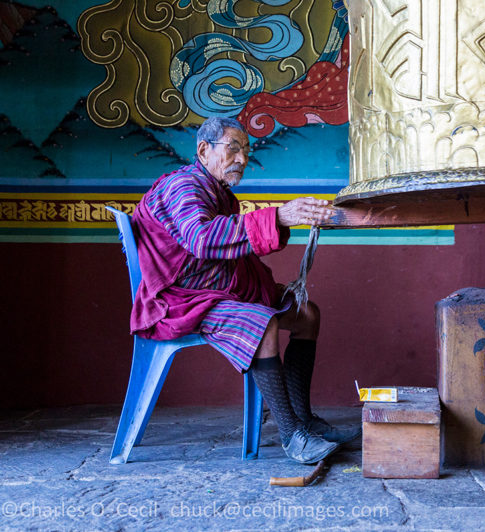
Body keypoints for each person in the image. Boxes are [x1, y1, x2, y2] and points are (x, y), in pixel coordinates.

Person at [129, 116, 359, 464]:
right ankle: (292, 435)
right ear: (203, 150)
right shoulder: (184, 186)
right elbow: (202, 239)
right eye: (233, 148)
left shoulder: (215, 191)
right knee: (263, 321)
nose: (242, 159)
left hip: (216, 289)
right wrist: (279, 217)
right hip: (183, 300)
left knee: (307, 314)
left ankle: (306, 418)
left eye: (247, 151)